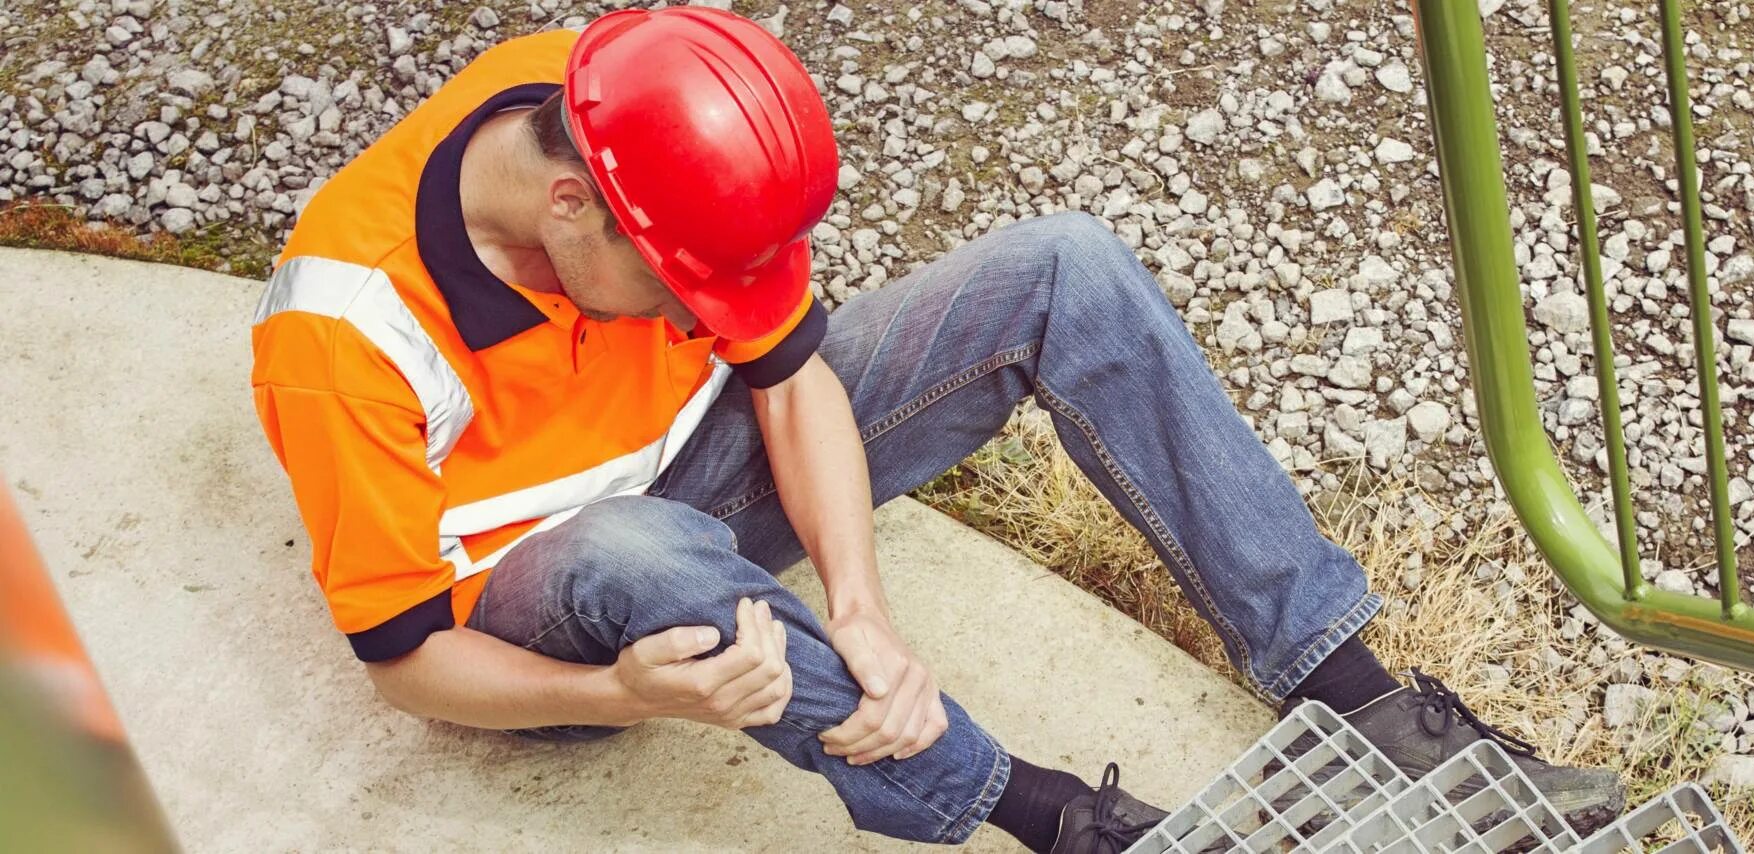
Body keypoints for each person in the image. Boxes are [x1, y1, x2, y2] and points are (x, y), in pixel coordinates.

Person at [248, 7, 1623, 852]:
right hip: (559, 602)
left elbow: (788, 378)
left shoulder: (622, 102)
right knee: (642, 541)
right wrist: (621, 696)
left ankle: (1362, 696)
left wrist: (862, 609)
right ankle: (1048, 816)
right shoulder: (346, 334)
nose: (705, 312)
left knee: (1064, 265)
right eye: (687, 290)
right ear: (568, 213)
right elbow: (410, 665)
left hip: (691, 472)